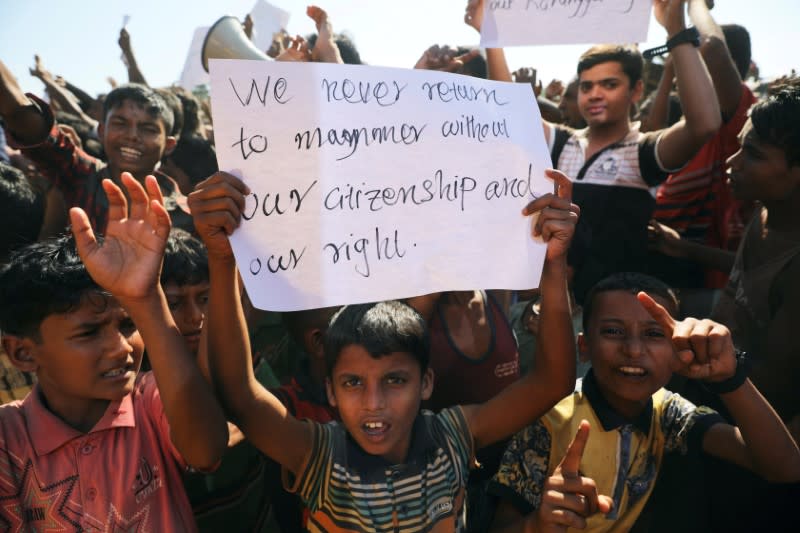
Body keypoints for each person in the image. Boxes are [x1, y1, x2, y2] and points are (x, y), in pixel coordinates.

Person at [188, 167, 578, 531]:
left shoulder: (454, 436)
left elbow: (552, 381)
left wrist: (553, 265)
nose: (375, 402)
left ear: (426, 382)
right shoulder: (319, 455)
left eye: (395, 380)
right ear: (330, 390)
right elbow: (239, 392)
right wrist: (222, 260)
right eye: (353, 382)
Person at [487, 272, 800, 532]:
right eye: (613, 331)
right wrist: (535, 525)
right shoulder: (549, 422)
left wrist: (731, 379)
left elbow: (784, 467)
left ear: (678, 350)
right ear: (583, 346)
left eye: (653, 334)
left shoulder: (668, 413)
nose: (634, 350)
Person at [0, 173, 228, 530]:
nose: (121, 347)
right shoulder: (8, 437)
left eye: (127, 325)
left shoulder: (150, 400)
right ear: (23, 354)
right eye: (89, 332)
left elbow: (207, 450)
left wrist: (147, 298)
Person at [464, 0, 721, 303]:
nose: (595, 94)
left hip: (613, 319)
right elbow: (509, 109)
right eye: (586, 87)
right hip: (551, 310)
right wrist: (489, 33)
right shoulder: (561, 142)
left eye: (609, 84)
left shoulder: (642, 152)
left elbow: (704, 124)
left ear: (636, 90)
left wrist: (675, 28)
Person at [0, 59, 192, 235]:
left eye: (148, 129)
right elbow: (19, 112)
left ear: (168, 145)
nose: (132, 136)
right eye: (120, 123)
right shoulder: (78, 175)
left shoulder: (189, 215)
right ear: (101, 131)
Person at [649, 0, 757, 302]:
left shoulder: (738, 121)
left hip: (711, 286)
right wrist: (671, 68)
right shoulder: (689, 123)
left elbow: (713, 48)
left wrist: (692, 5)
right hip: (669, 274)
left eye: (691, 58)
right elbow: (650, 135)